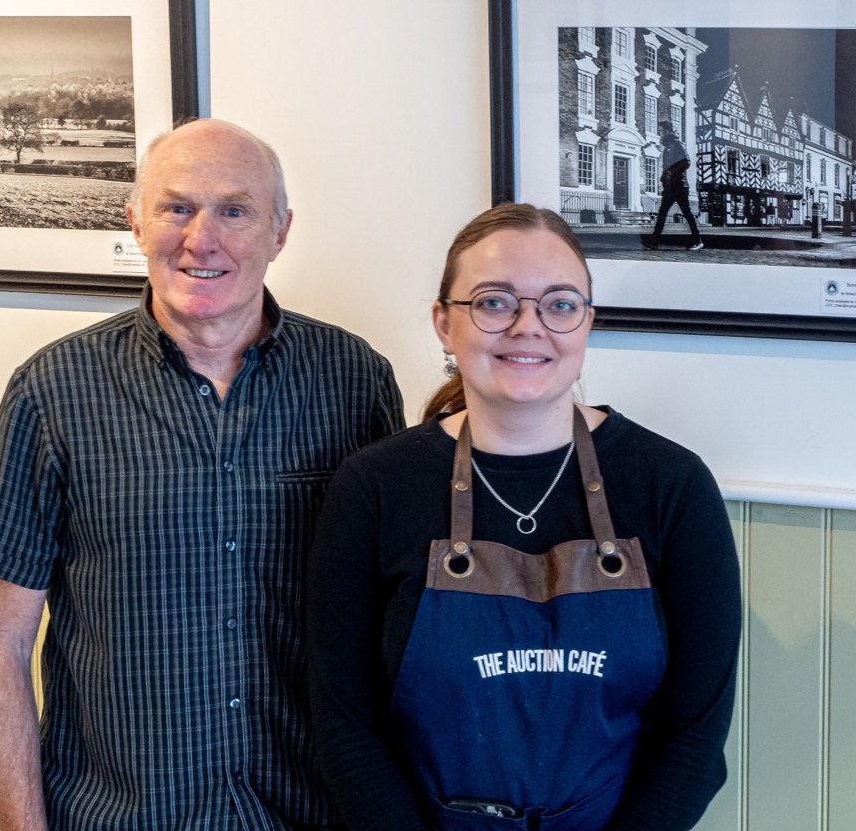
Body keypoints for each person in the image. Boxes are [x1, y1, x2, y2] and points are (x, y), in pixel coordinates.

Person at [0, 118, 404, 831]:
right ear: (135, 219)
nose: (202, 238)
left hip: (312, 812)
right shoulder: (53, 392)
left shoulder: (353, 381)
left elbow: (394, 624)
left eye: (234, 210)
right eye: (177, 207)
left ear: (280, 231)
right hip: (118, 816)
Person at [306, 203, 740, 831]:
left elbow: (694, 740)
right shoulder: (374, 488)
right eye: (494, 302)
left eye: (559, 304)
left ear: (587, 322)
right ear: (444, 324)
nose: (527, 327)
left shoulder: (671, 486)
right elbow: (347, 728)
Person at [646, 124, 705, 251]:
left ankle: (697, 240)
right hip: (670, 187)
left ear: (667, 131)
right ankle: (654, 241)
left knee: (687, 213)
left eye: (661, 130)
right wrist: (664, 176)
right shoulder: (667, 146)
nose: (660, 133)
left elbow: (686, 162)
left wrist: (670, 174)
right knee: (662, 213)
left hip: (680, 186)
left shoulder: (678, 144)